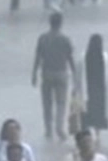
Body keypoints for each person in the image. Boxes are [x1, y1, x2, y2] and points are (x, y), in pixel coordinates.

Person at [32, 12, 76, 140]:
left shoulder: (43, 38)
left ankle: (48, 129)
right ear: (61, 23)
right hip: (62, 73)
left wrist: (34, 74)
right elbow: (70, 57)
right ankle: (59, 128)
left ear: (49, 23)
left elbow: (38, 57)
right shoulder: (65, 39)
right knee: (61, 103)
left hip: (47, 73)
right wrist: (75, 74)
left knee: (47, 103)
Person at [79, 34, 108, 137]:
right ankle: (97, 136)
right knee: (99, 115)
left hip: (87, 90)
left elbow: (78, 75)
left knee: (86, 115)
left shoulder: (84, 57)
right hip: (100, 92)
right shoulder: (105, 57)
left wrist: (75, 90)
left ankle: (86, 136)